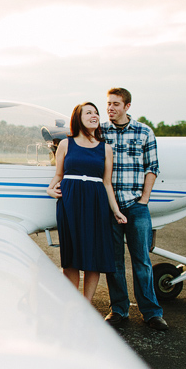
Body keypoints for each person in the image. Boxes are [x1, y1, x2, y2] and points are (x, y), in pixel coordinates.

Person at [102, 88, 168, 331]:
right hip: (110, 207)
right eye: (108, 103)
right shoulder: (100, 132)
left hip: (136, 206)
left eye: (116, 104)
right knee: (115, 261)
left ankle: (151, 312)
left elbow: (152, 167)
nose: (110, 108)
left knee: (142, 260)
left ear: (127, 106)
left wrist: (144, 200)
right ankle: (119, 309)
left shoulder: (144, 132)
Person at [47, 102, 127, 301]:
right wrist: (50, 189)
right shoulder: (66, 144)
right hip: (70, 201)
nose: (94, 115)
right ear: (78, 118)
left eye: (96, 113)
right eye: (89, 112)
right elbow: (59, 174)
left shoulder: (105, 148)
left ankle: (86, 304)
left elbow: (107, 183)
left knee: (94, 255)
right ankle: (71, 302)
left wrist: (116, 210)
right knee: (71, 256)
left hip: (96, 203)